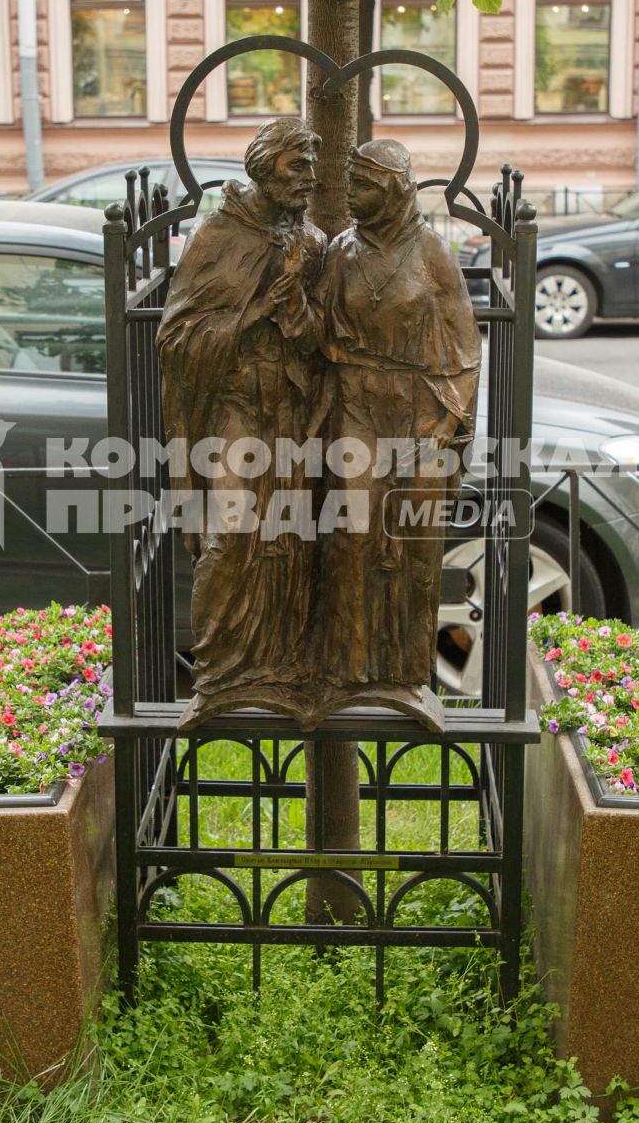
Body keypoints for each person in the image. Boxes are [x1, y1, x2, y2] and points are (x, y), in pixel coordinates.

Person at [158, 117, 326, 725]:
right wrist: (252, 318)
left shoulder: (315, 243)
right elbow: (176, 336)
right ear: (264, 167)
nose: (309, 179)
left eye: (313, 166)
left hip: (291, 407)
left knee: (290, 538)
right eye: (297, 166)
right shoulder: (218, 234)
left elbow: (323, 344)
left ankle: (281, 667)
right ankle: (218, 672)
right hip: (232, 407)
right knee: (230, 537)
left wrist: (298, 312)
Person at [313, 139, 480, 729]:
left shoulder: (431, 252)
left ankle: (407, 676)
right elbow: (316, 335)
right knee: (352, 536)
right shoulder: (340, 252)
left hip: (418, 414)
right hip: (356, 409)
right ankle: (348, 672)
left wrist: (444, 426)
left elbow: (464, 351)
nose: (351, 198)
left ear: (395, 189)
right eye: (350, 186)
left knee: (412, 545)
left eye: (363, 187)